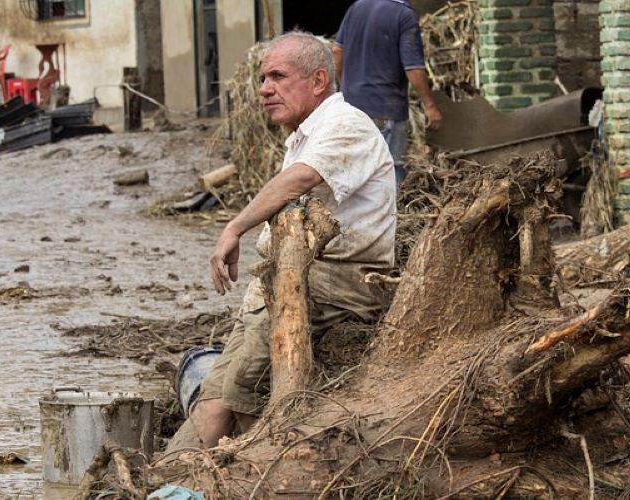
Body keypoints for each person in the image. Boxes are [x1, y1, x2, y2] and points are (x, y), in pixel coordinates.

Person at [166, 31, 396, 451]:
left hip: (335, 281)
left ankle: (266, 469)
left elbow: (302, 179)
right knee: (215, 390)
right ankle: (168, 477)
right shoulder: (305, 134)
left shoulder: (347, 126)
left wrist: (234, 227)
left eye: (277, 76)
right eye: (262, 78)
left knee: (241, 385)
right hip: (283, 277)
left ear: (319, 80)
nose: (264, 89)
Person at [333, 0, 442, 182]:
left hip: (349, 109)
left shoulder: (356, 7)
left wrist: (344, 85)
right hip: (385, 109)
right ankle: (389, 212)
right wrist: (430, 106)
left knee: (353, 173)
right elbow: (413, 68)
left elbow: (337, 51)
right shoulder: (404, 15)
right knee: (389, 173)